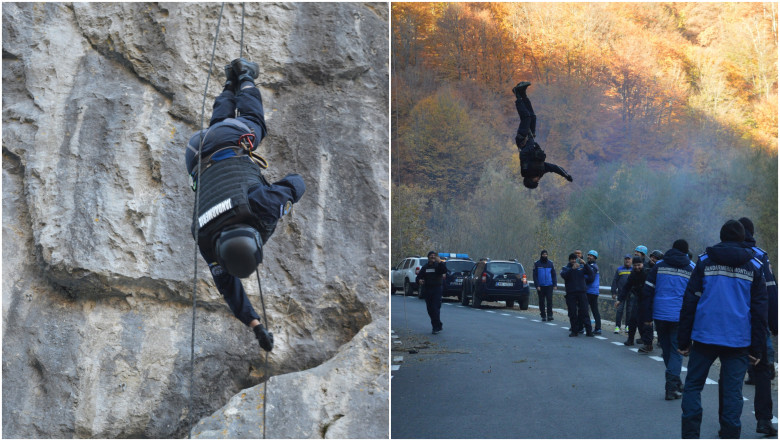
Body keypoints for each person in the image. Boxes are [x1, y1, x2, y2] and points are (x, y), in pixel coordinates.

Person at [187, 58, 305, 352]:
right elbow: (229, 290)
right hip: (194, 152)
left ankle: (247, 77)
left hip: (228, 140)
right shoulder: (204, 237)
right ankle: (229, 83)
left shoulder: (260, 207)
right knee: (221, 124)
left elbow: (297, 182)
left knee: (254, 121)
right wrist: (256, 327)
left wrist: (286, 198)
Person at [678, 220, 767, 439]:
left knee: (693, 386)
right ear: (742, 238)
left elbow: (690, 301)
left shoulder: (704, 261)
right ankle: (729, 435)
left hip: (704, 336)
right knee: (732, 393)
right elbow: (759, 311)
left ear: (721, 236)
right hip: (738, 340)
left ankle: (690, 434)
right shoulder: (755, 265)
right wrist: (757, 348)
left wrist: (683, 340)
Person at [639, 239, 694, 399]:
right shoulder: (692, 268)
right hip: (680, 316)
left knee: (667, 350)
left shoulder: (659, 265)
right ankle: (671, 387)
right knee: (676, 351)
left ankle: (675, 382)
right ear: (686, 251)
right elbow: (696, 295)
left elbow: (647, 292)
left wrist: (647, 317)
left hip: (660, 314)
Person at [738, 217, 778, 436]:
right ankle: (763, 420)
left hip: (731, 325)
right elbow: (771, 291)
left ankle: (728, 421)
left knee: (731, 371)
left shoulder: (719, 256)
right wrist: (774, 324)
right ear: (752, 233)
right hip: (757, 324)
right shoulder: (760, 256)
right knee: (763, 372)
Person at [511, 81, 573, 189]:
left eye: (536, 181)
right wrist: (566, 175)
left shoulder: (525, 171)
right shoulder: (542, 170)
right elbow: (555, 168)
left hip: (523, 140)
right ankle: (523, 94)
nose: (538, 180)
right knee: (533, 117)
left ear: (530, 180)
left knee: (526, 117)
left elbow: (523, 155)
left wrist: (531, 147)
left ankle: (517, 93)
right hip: (530, 139)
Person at [616, 256, 651, 347]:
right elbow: (626, 287)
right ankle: (630, 339)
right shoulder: (633, 274)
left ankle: (646, 340)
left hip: (647, 299)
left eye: (639, 265)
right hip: (638, 298)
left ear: (642, 264)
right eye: (635, 265)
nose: (637, 267)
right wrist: (619, 299)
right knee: (633, 319)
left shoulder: (647, 273)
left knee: (645, 320)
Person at [560, 253, 594, 337]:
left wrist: (585, 264)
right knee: (572, 312)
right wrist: (572, 269)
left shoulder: (581, 267)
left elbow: (591, 273)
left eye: (575, 259)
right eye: (572, 259)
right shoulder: (565, 268)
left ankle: (589, 331)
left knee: (584, 311)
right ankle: (574, 331)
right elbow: (564, 275)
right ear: (569, 260)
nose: (574, 261)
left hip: (582, 292)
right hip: (571, 293)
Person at [417, 251, 447, 334]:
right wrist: (419, 280)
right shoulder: (425, 267)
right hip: (427, 289)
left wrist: (440, 261)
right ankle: (438, 324)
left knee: (435, 308)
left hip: (437, 289)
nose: (433, 257)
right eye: (431, 256)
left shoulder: (439, 266)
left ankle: (435, 327)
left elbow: (444, 270)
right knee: (430, 309)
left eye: (434, 256)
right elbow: (418, 277)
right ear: (428, 257)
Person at [533, 250, 557, 321]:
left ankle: (550, 315)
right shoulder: (537, 264)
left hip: (549, 285)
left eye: (546, 254)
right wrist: (537, 285)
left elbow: (554, 275)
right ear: (541, 255)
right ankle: (543, 315)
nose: (545, 256)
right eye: (543, 254)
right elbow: (535, 276)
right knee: (541, 301)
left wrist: (555, 284)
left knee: (549, 300)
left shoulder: (550, 263)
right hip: (541, 286)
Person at [611, 254, 633, 333]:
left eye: (629, 259)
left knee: (629, 311)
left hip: (631, 294)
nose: (627, 260)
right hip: (621, 294)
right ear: (624, 260)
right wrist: (613, 292)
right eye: (626, 259)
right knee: (619, 310)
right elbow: (615, 281)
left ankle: (627, 326)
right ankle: (617, 326)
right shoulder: (619, 269)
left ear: (631, 260)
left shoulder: (634, 269)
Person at [585, 250, 602, 334]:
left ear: (595, 257)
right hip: (592, 290)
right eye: (588, 255)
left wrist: (582, 278)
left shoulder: (593, 266)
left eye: (591, 256)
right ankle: (597, 328)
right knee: (594, 310)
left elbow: (590, 279)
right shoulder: (590, 265)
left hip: (591, 291)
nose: (589, 257)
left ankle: (591, 327)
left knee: (586, 309)